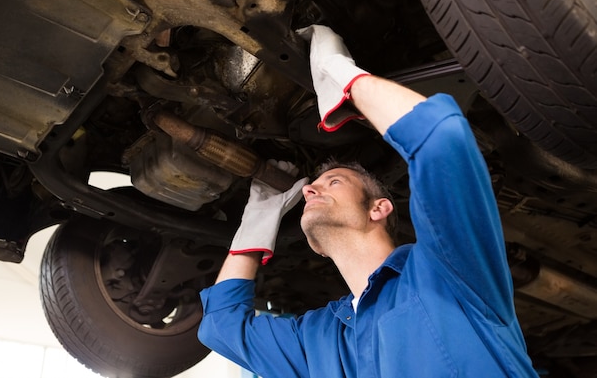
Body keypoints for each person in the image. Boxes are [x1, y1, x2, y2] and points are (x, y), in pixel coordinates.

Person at [197, 25, 539, 378]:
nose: (308, 191)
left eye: (333, 181)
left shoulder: (447, 272)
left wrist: (344, 77)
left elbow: (441, 139)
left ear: (379, 208)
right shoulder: (320, 337)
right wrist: (257, 222)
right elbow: (220, 325)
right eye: (313, 186)